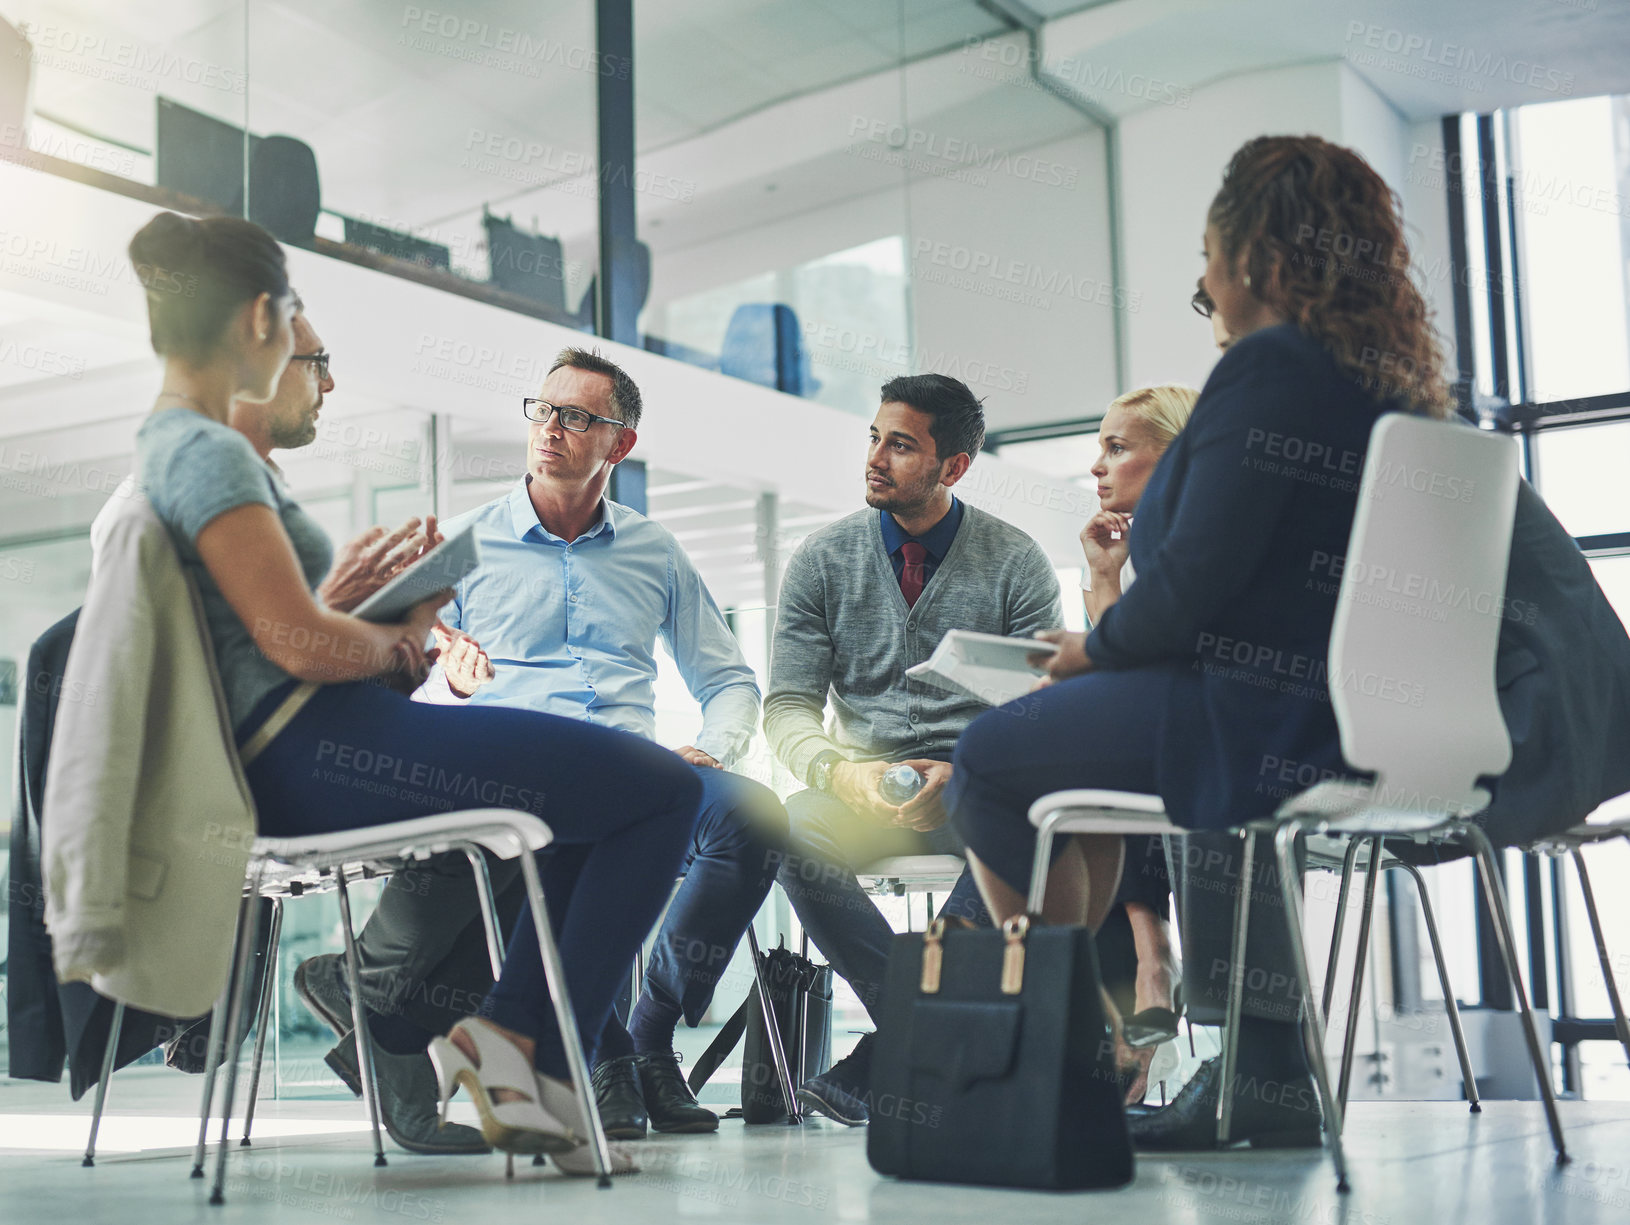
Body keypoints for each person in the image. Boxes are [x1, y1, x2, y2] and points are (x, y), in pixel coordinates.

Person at [946, 133, 1630, 1151]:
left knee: (993, 758)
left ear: (1255, 260)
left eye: (1209, 259)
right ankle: (1247, 1071)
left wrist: (1092, 646)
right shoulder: (1388, 385)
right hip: (1403, 719)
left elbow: (1191, 590)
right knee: (1103, 762)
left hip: (1290, 717)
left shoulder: (1273, 369)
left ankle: (1062, 1069)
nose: (1204, 285)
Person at [127, 210, 703, 1172]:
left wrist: (345, 606)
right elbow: (294, 648)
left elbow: (259, 638)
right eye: (310, 348)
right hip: (306, 753)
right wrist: (392, 638)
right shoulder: (208, 452)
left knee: (598, 806)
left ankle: (514, 1055)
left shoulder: (185, 447)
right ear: (258, 322)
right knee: (667, 791)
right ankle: (514, 1047)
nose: (327, 377)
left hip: (295, 746)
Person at [294, 346, 788, 1148]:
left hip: (641, 765)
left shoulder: (653, 549)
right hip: (519, 770)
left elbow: (729, 678)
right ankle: (606, 1062)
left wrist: (713, 744)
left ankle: (649, 1029)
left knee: (755, 817)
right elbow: (389, 682)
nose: (551, 429)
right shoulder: (464, 543)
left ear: (618, 444)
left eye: (578, 417)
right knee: (562, 833)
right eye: (545, 410)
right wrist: (447, 677)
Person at [763, 373, 1063, 1125]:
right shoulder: (821, 560)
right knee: (789, 825)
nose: (875, 457)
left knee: (1030, 819)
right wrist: (841, 770)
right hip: (862, 789)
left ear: (952, 466)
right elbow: (789, 708)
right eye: (874, 437)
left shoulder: (1015, 560)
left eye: (900, 445)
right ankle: (921, 1027)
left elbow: (1043, 713)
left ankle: (894, 1043)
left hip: (978, 786)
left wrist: (963, 767)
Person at [1076, 384, 1198, 1099]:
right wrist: (1101, 577)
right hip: (1168, 757)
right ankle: (1150, 960)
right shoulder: (1151, 548)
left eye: (1117, 448)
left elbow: (1130, 680)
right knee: (1096, 766)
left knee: (1094, 757)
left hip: (1226, 753)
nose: (1098, 466)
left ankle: (1149, 967)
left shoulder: (1188, 545)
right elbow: (1120, 667)